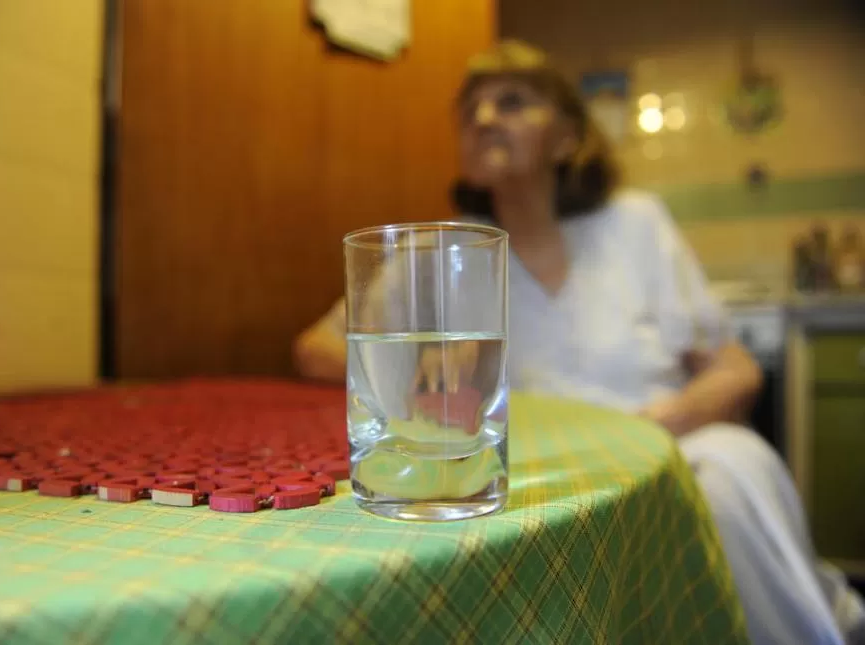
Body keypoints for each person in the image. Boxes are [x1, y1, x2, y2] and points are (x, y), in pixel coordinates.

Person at [294, 41, 864, 645]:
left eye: (511, 102)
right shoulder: (436, 253)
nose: (484, 119)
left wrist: (662, 425)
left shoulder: (634, 223)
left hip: (668, 439)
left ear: (567, 138)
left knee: (729, 471)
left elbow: (734, 365)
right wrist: (412, 365)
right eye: (470, 112)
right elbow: (314, 348)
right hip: (541, 462)